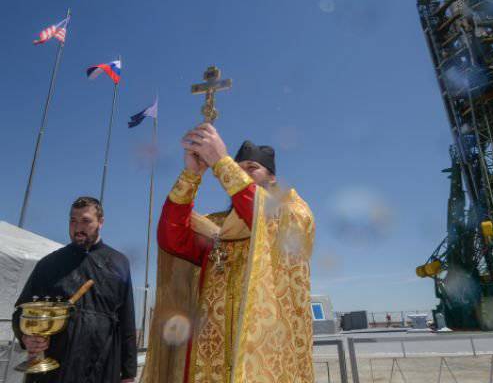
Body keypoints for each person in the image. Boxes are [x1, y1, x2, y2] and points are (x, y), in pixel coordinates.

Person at [141, 123, 315, 383]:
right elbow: (172, 238)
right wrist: (191, 176)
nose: (242, 173)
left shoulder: (293, 213)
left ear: (272, 177)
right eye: (239, 167)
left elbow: (264, 215)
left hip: (264, 361)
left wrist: (222, 163)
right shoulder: (219, 226)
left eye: (251, 168)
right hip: (209, 359)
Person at [12, 196, 137, 383]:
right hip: (54, 370)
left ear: (100, 222)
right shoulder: (48, 264)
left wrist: (128, 373)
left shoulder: (119, 264)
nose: (78, 228)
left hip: (101, 368)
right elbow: (21, 312)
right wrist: (25, 336)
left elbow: (127, 321)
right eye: (73, 221)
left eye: (86, 221)